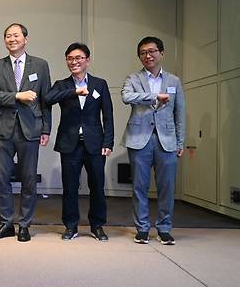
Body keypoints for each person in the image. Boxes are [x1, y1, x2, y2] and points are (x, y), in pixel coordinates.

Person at [0, 23, 52, 242]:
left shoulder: (40, 65)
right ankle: (6, 223)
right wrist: (17, 96)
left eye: (16, 35)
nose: (11, 39)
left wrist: (46, 128)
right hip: (2, 129)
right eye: (7, 36)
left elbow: (45, 99)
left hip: (30, 128)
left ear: (26, 38)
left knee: (29, 179)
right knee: (2, 178)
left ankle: (24, 224)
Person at [45, 43, 113, 241]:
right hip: (70, 144)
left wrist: (107, 142)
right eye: (70, 58)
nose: (74, 62)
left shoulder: (100, 84)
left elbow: (108, 115)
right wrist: (74, 92)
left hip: (95, 144)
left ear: (87, 60)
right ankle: (71, 226)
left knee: (97, 186)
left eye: (79, 58)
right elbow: (48, 99)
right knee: (70, 187)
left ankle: (97, 225)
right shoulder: (62, 84)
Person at [121, 36, 185, 245]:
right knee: (139, 186)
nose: (147, 55)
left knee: (166, 186)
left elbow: (179, 112)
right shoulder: (133, 78)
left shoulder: (174, 81)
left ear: (161, 53)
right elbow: (127, 97)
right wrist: (155, 97)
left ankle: (165, 228)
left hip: (167, 140)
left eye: (152, 51)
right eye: (143, 53)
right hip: (139, 139)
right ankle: (142, 229)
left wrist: (180, 142)